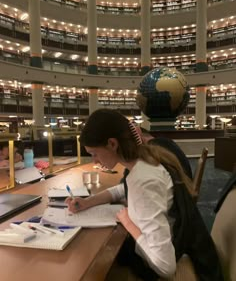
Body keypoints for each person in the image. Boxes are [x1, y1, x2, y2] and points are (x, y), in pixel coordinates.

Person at [66, 109, 223, 281]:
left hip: (155, 264)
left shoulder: (144, 181)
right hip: (174, 244)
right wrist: (88, 202)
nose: (94, 161)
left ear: (112, 143)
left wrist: (128, 222)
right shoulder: (144, 160)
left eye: (94, 154)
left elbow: (165, 267)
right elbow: (122, 189)